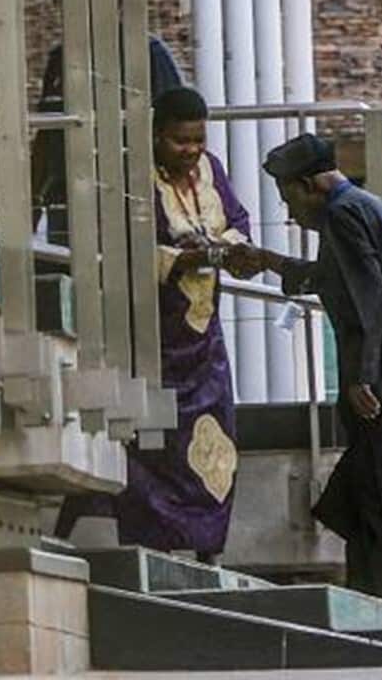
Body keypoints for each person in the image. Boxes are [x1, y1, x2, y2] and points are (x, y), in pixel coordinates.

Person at [247, 133, 382, 604]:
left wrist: (364, 375)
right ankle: (371, 586)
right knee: (367, 479)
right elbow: (334, 279)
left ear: (309, 185)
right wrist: (269, 261)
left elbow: (368, 297)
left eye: (289, 198)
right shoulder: (360, 206)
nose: (289, 213)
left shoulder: (342, 215)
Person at [55, 86, 257, 563]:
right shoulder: (130, 178)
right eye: (179, 141)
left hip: (203, 337)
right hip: (148, 333)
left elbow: (239, 219)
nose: (190, 151)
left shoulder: (212, 171)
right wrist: (183, 256)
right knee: (151, 443)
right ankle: (153, 544)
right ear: (155, 136)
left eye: (197, 141)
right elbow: (120, 246)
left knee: (212, 440)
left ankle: (207, 547)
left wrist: (224, 246)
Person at [31, 35, 185, 246]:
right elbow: (46, 134)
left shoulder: (147, 52)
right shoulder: (62, 57)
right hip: (69, 196)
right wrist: (33, 200)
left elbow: (177, 126)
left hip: (135, 193)